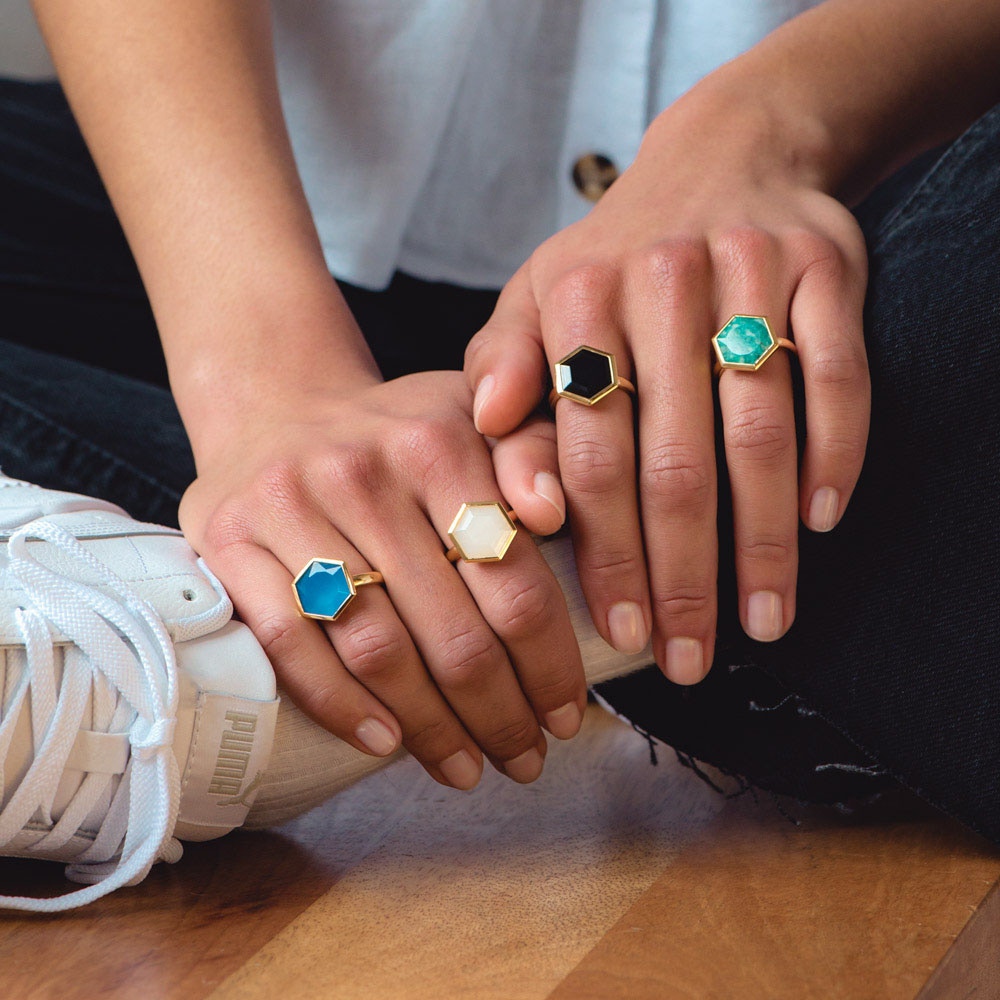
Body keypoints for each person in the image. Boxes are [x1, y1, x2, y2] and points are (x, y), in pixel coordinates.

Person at [1, 0, 998, 866]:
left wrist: (760, 126)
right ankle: (633, 567)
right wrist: (264, 382)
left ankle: (201, 654)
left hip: (839, 253)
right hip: (261, 207)